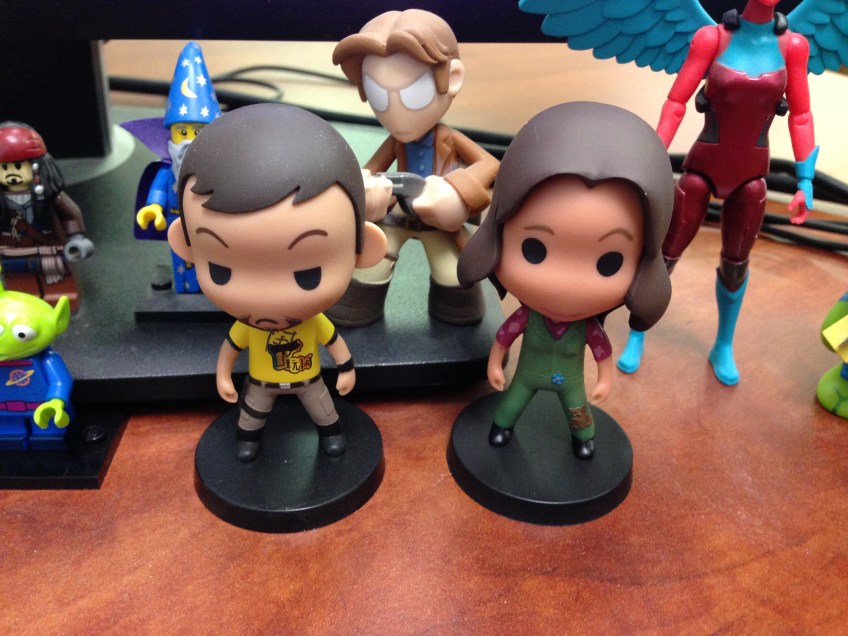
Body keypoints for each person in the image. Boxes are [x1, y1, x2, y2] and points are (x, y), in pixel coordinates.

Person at [168, 103, 386, 462]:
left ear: (363, 250)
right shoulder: (246, 328)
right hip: (261, 382)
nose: (266, 299)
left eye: (307, 274)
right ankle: (248, 440)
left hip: (309, 380)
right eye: (222, 270)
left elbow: (334, 342)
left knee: (322, 408)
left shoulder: (313, 322)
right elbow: (230, 350)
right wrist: (223, 376)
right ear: (185, 246)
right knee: (252, 412)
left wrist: (346, 369)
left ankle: (332, 434)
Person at [458, 102, 673, 458]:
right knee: (512, 400)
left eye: (608, 263)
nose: (565, 285)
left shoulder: (587, 328)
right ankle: (501, 427)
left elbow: (602, 353)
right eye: (534, 250)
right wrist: (495, 364)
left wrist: (604, 379)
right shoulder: (527, 318)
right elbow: (504, 337)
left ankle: (584, 438)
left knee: (578, 410)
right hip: (527, 375)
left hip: (570, 382)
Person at [330, 9, 499, 326]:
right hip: (395, 218)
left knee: (453, 276)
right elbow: (368, 171)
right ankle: (359, 310)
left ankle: (453, 315)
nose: (394, 110)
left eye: (414, 93)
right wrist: (364, 190)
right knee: (369, 267)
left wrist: (457, 191)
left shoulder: (450, 138)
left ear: (453, 78)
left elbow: (490, 164)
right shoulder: (395, 141)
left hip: (440, 225)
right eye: (379, 95)